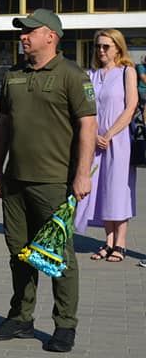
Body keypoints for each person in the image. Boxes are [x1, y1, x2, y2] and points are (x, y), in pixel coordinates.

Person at [0, 9, 96, 353]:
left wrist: (81, 174)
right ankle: (21, 317)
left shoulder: (72, 76)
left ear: (51, 36)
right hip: (15, 181)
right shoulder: (13, 75)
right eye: (23, 32)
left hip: (54, 182)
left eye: (30, 31)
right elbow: (4, 123)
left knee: (57, 255)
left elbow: (88, 126)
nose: (23, 36)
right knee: (19, 252)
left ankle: (65, 324)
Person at [74, 29, 137, 263]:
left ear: (118, 48)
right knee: (101, 190)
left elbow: (130, 107)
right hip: (94, 141)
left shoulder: (126, 72)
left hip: (119, 140)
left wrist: (109, 133)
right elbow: (84, 108)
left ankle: (121, 243)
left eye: (106, 46)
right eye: (98, 46)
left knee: (118, 189)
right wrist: (93, 135)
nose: (101, 51)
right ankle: (108, 241)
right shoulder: (90, 74)